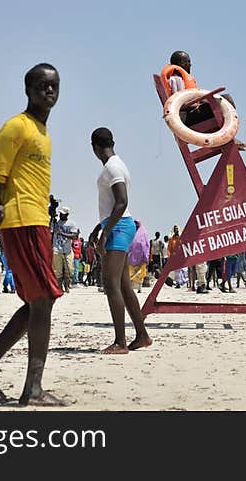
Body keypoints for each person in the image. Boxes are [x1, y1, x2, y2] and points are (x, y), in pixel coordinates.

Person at [0, 62, 66, 406]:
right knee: (44, 300)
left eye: (54, 86)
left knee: (38, 301)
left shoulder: (42, 132)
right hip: (22, 222)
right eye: (42, 86)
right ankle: (33, 389)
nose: (49, 91)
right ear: (28, 90)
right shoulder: (16, 127)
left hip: (36, 222)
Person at [91, 127, 151, 354]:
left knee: (110, 284)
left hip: (117, 228)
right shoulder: (118, 163)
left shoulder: (112, 167)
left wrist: (106, 233)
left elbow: (121, 202)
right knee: (124, 285)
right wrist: (100, 227)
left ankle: (120, 342)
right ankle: (142, 335)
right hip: (117, 225)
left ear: (95, 147)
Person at [52, 206, 78, 293]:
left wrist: (62, 233)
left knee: (70, 270)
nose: (60, 215)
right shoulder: (55, 223)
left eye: (63, 214)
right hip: (56, 249)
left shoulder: (71, 224)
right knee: (58, 271)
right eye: (60, 213)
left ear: (67, 214)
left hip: (68, 250)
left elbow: (74, 236)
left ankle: (67, 285)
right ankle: (59, 287)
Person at [128, 220, 150, 293]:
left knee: (140, 274)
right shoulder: (131, 233)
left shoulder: (144, 234)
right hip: (131, 257)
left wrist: (146, 257)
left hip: (142, 258)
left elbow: (147, 245)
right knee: (131, 273)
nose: (136, 225)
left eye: (137, 224)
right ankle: (131, 288)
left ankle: (139, 288)